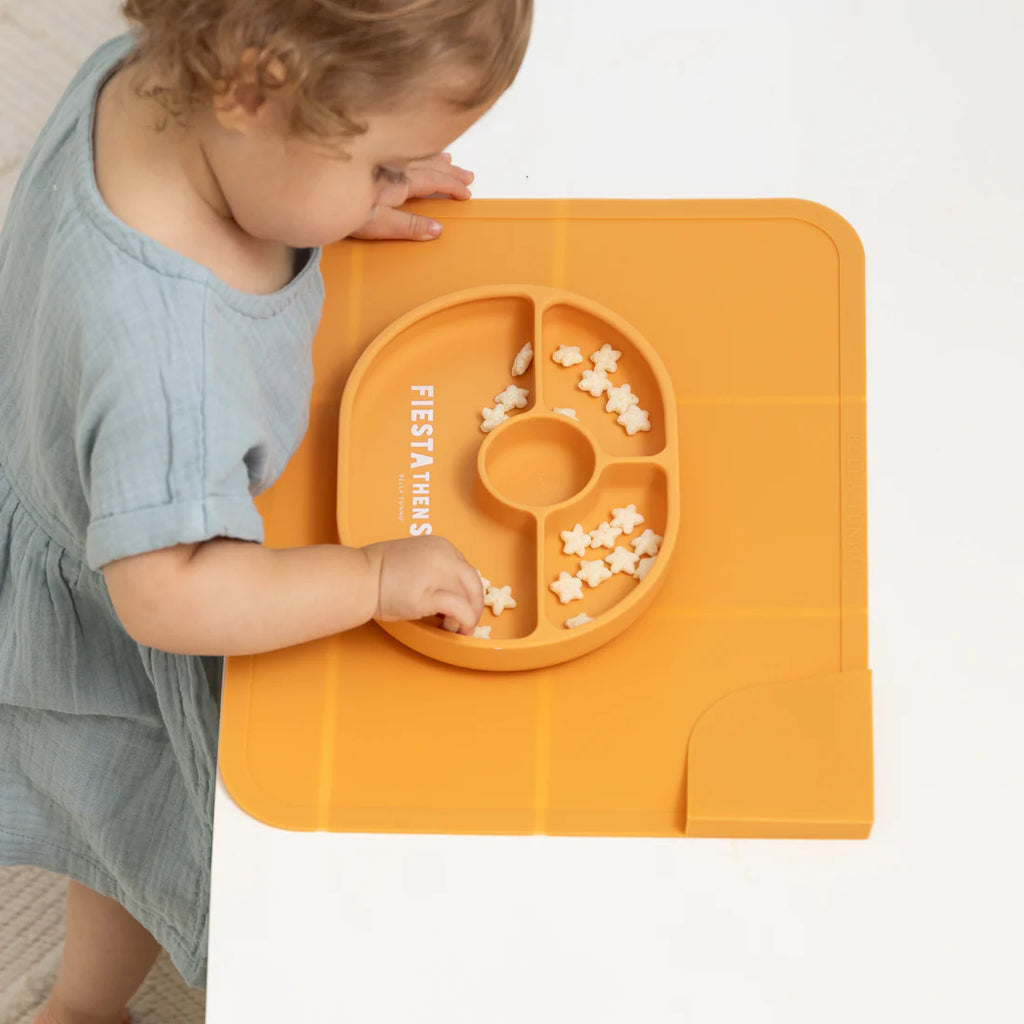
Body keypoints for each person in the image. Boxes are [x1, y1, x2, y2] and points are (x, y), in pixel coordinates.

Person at [0, 0, 533, 1017]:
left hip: (83, 456)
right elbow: (169, 596)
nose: (392, 180)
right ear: (252, 87)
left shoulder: (149, 80)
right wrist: (370, 576)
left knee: (118, 826)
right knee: (129, 831)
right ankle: (81, 1001)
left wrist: (330, 198)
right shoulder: (167, 353)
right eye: (382, 161)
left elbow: (280, 170)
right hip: (122, 621)